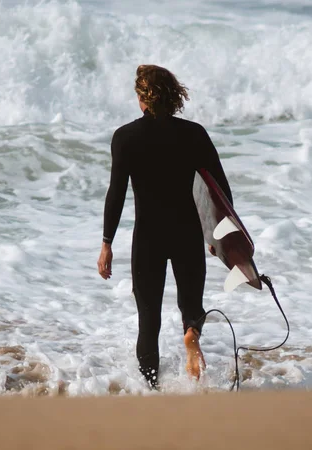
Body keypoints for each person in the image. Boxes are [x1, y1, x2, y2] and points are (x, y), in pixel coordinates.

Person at [97, 64, 233, 389]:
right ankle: (191, 334)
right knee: (192, 307)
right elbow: (221, 190)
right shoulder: (194, 134)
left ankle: (151, 390)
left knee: (149, 322)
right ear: (174, 96)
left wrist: (106, 243)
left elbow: (116, 193)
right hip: (187, 234)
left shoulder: (125, 138)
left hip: (148, 239)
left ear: (142, 98)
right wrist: (219, 237)